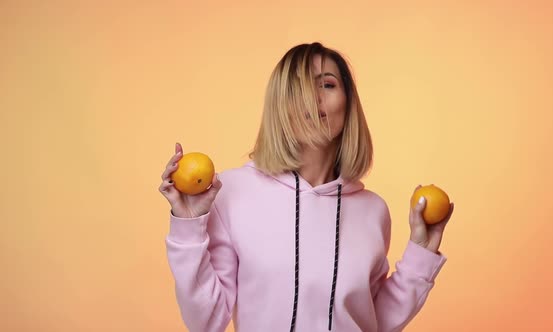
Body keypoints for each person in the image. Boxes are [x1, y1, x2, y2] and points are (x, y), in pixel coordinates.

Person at [159, 42, 454, 332]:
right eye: (297, 89)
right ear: (279, 105)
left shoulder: (373, 210)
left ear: (348, 102)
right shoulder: (231, 192)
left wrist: (420, 254)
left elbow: (372, 322)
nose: (313, 98)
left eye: (327, 85)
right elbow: (205, 323)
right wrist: (187, 225)